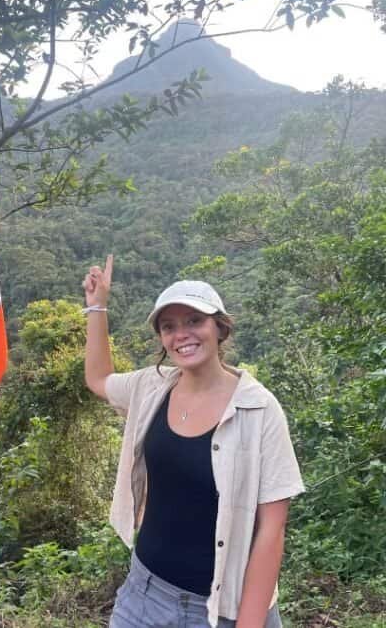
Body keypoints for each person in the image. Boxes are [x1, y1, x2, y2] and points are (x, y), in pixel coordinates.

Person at [83, 255, 303, 628]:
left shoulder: (259, 409)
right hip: (143, 596)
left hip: (224, 610)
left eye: (194, 321)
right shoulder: (151, 387)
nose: (180, 334)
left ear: (220, 328)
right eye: (168, 326)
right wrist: (97, 307)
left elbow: (272, 529)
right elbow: (99, 379)